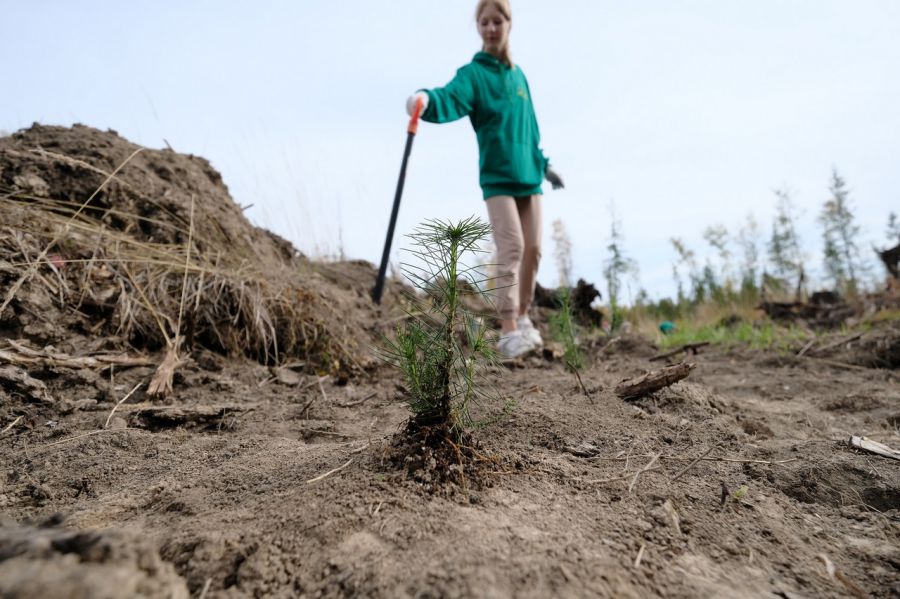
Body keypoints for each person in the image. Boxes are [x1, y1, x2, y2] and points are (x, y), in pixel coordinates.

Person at [406, 0, 563, 359]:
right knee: (512, 248)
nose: (491, 28)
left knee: (534, 250)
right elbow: (451, 96)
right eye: (484, 22)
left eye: (497, 21)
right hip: (497, 178)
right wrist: (426, 100)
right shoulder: (473, 74)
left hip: (529, 176)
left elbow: (531, 129)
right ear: (478, 27)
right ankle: (508, 330)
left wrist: (545, 165)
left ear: (509, 24)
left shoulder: (519, 76)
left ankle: (523, 317)